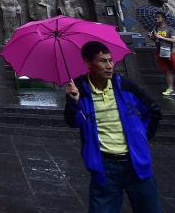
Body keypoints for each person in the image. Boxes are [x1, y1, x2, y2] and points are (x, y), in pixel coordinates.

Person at [64, 41, 163, 213]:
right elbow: (74, 122)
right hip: (104, 166)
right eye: (103, 61)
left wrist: (140, 137)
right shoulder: (79, 89)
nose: (110, 66)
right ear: (88, 63)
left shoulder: (125, 85)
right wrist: (74, 103)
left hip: (136, 163)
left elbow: (153, 111)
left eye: (111, 60)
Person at [149, 11, 175, 97]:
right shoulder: (156, 29)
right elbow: (157, 41)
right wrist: (153, 38)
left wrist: (161, 37)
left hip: (170, 51)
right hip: (160, 51)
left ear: (163, 18)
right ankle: (171, 89)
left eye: (158, 17)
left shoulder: (170, 29)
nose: (156, 18)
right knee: (167, 71)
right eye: (156, 17)